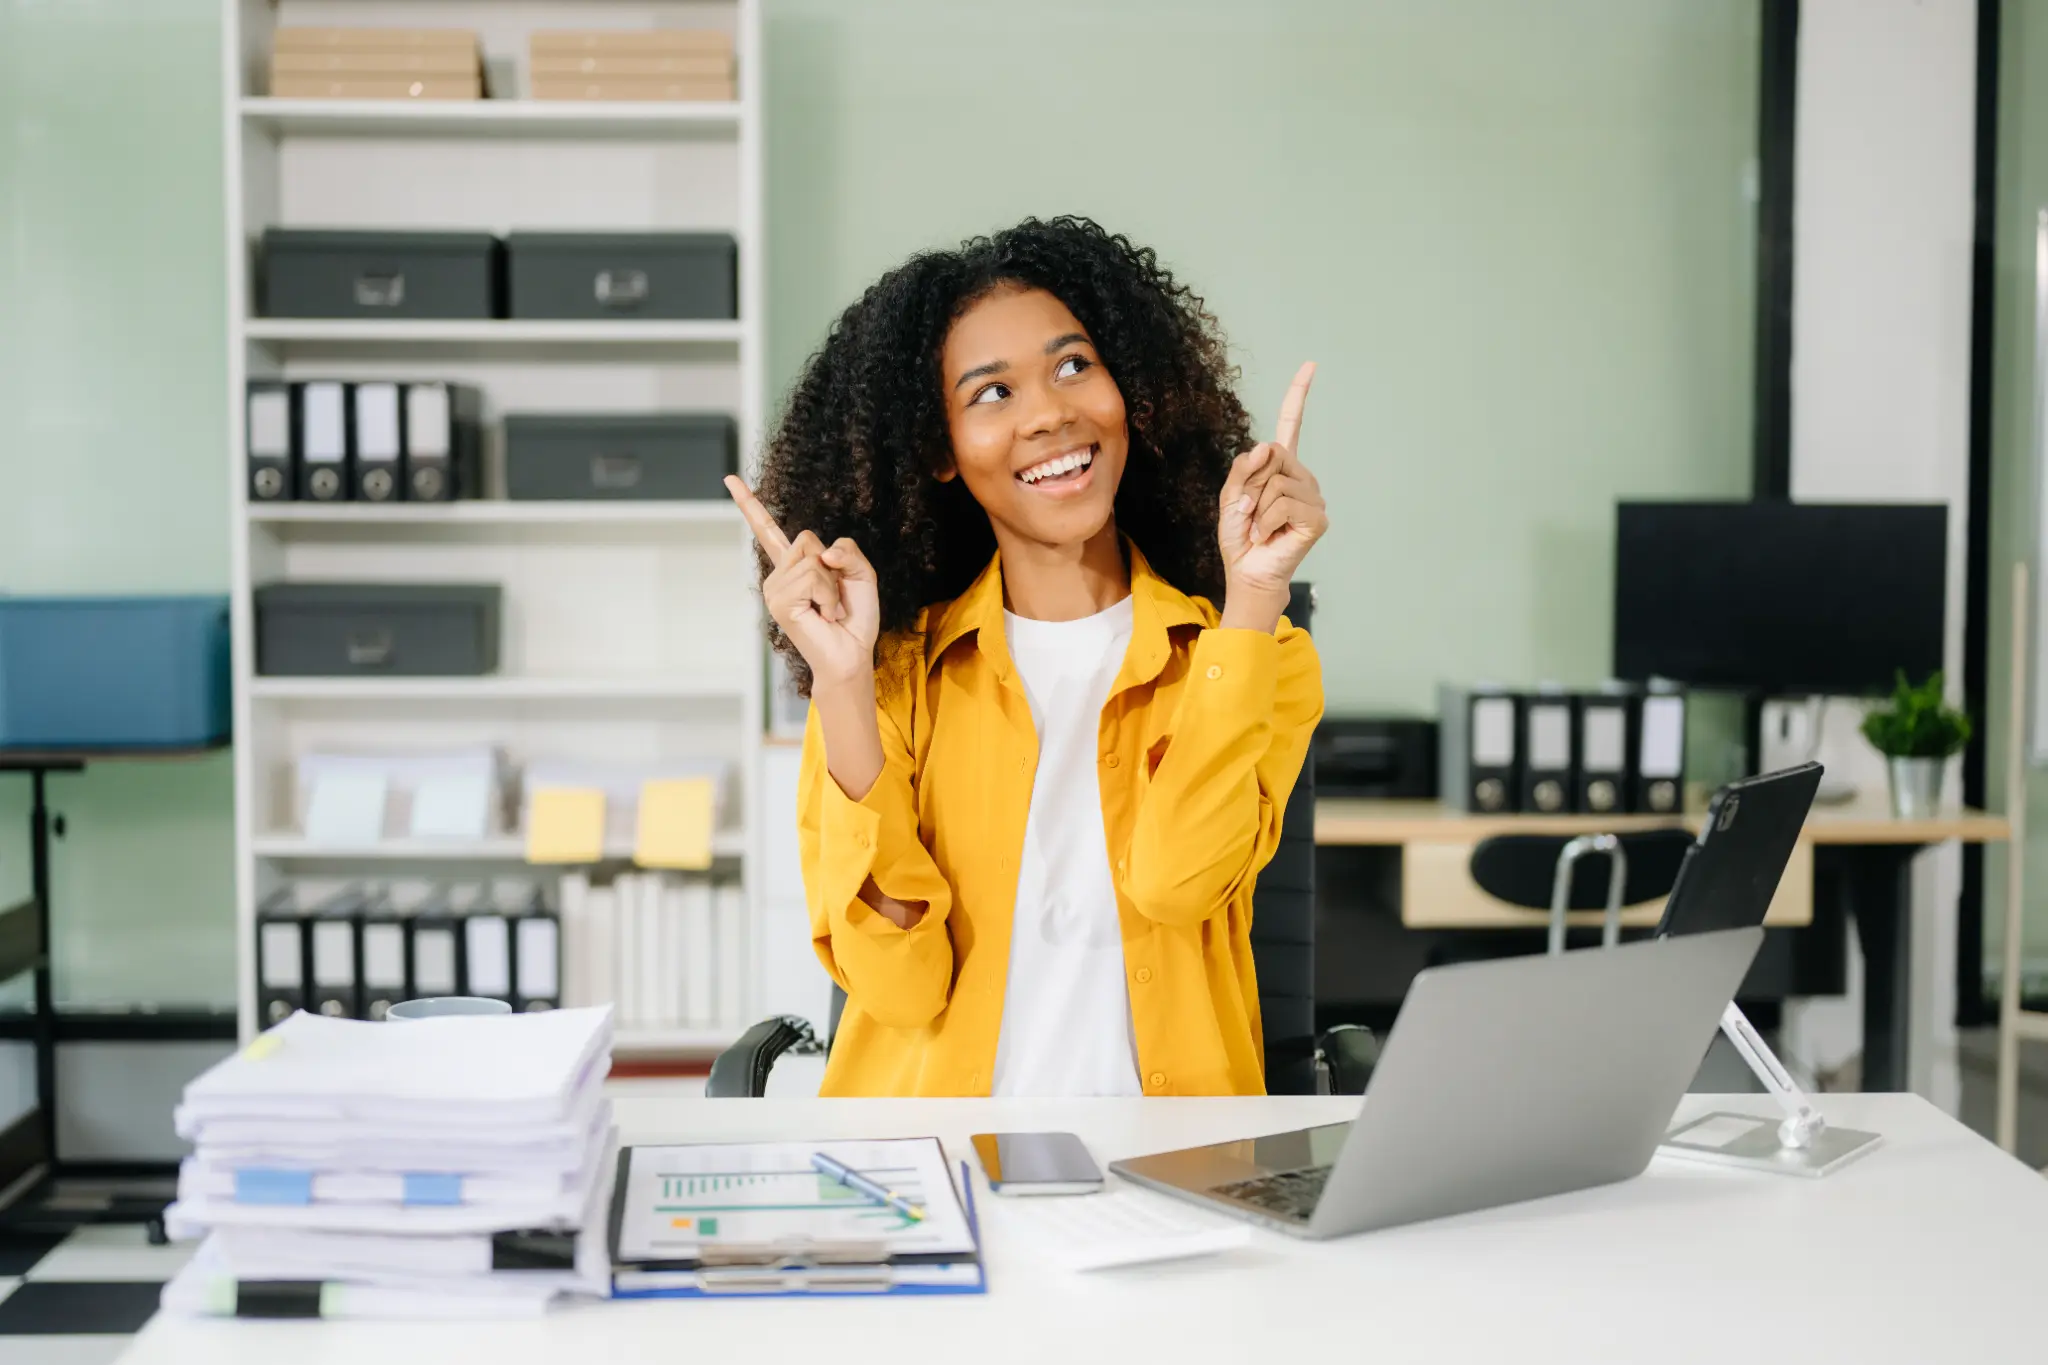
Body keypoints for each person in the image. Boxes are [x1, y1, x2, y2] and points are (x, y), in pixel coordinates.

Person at [727, 216, 1327, 1098]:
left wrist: (1252, 598)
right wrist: (845, 684)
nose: (1050, 413)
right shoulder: (889, 671)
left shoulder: (1256, 650)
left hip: (1173, 1168)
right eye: (991, 394)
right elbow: (899, 982)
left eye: (1074, 365)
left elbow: (1175, 884)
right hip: (931, 1168)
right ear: (939, 450)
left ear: (1135, 392)